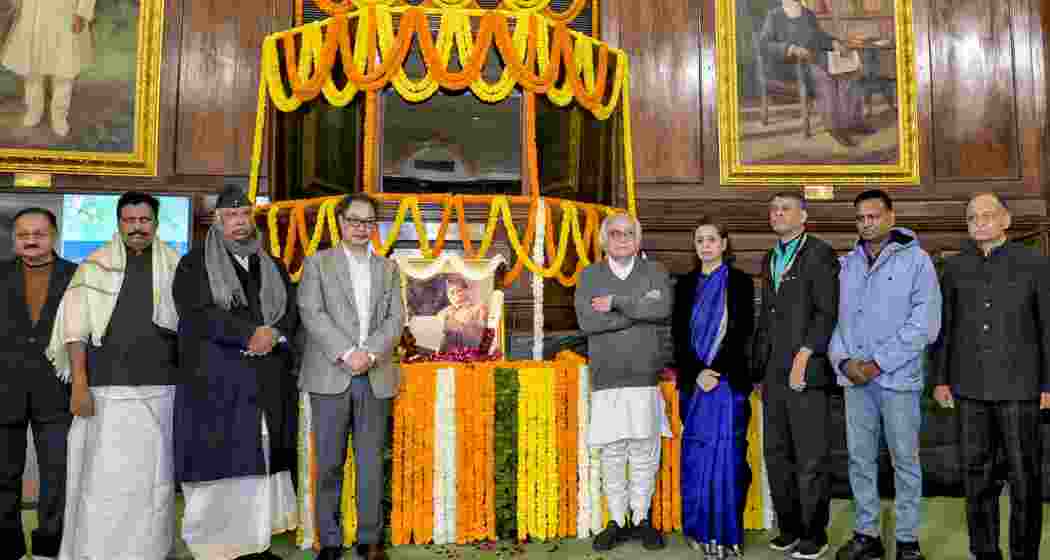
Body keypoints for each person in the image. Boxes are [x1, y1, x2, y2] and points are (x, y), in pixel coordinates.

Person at [46, 191, 182, 559]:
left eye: (144, 220)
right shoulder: (93, 266)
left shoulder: (176, 265)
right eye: (129, 220)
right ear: (118, 223)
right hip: (105, 393)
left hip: (163, 390)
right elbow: (74, 332)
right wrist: (79, 384)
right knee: (103, 482)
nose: (137, 228)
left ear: (155, 223)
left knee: (155, 483)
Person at [172, 186, 299, 560]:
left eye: (244, 214)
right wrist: (249, 334)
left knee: (260, 463)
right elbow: (198, 314)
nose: (239, 222)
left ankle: (256, 545)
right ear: (217, 220)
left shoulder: (271, 264)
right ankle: (216, 548)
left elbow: (290, 310)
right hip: (217, 385)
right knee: (222, 467)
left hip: (264, 384)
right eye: (231, 216)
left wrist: (274, 333)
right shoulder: (193, 264)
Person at [931, 192, 1049, 560]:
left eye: (987, 215)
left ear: (1006, 220)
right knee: (976, 476)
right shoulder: (953, 267)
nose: (979, 222)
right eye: (972, 218)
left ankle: (1024, 553)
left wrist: (1048, 383)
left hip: (1022, 387)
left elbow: (1047, 326)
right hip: (970, 388)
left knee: (1024, 477)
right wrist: (940, 378)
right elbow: (944, 329)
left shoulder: (1034, 263)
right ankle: (984, 552)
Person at [828, 190, 941, 560]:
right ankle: (867, 535)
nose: (866, 223)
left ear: (891, 216)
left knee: (905, 461)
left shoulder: (917, 260)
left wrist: (877, 363)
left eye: (873, 216)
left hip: (897, 381)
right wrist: (843, 362)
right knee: (860, 461)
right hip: (856, 382)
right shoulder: (848, 264)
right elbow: (839, 321)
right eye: (860, 218)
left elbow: (925, 324)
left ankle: (907, 541)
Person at [298, 193, 404, 560]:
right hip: (331, 373)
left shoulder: (389, 268)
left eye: (368, 222)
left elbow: (395, 319)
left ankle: (370, 538)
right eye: (355, 221)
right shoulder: (317, 264)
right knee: (328, 460)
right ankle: (329, 540)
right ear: (340, 223)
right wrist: (348, 353)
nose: (361, 228)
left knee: (371, 459)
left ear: (375, 227)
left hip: (376, 374)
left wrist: (371, 353)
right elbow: (311, 312)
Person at [574, 212, 672, 552]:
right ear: (604, 240)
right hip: (607, 377)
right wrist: (636, 313)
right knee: (612, 452)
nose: (622, 238)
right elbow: (587, 321)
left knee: (645, 449)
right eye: (614, 233)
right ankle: (617, 519)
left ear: (638, 239)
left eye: (629, 233)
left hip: (644, 376)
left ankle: (642, 517)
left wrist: (615, 304)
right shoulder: (589, 276)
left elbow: (662, 310)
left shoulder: (655, 272)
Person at [752, 191, 839, 559]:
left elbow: (827, 312)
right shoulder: (770, 256)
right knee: (777, 454)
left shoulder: (819, 253)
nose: (777, 214)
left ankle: (814, 533)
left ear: (803, 216)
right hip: (772, 373)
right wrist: (758, 369)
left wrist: (806, 354)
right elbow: (767, 320)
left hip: (806, 369)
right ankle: (788, 528)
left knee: (810, 457)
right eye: (773, 209)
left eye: (785, 209)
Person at [671, 218, 756, 558]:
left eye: (711, 239)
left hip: (727, 383)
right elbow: (678, 335)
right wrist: (697, 372)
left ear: (723, 244)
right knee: (696, 456)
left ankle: (726, 533)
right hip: (696, 385)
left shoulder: (740, 282)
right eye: (699, 240)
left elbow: (742, 332)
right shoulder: (685, 284)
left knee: (730, 459)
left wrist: (715, 371)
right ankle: (698, 528)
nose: (705, 245)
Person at [0, 208, 76, 560]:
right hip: (4, 391)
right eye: (23, 234)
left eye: (39, 233)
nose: (31, 240)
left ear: (54, 235)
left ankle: (49, 547)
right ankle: (8, 546)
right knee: (3, 475)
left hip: (58, 393)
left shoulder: (76, 277)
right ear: (15, 238)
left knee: (57, 477)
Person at [759, 0, 870, 147]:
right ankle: (835, 128)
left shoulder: (808, 14)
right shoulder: (774, 16)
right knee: (825, 76)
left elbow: (819, 37)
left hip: (813, 61)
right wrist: (790, 48)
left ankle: (852, 121)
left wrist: (833, 43)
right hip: (789, 68)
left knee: (847, 72)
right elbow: (764, 44)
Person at [1, 0, 95, 137]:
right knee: (33, 69)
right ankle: (34, 110)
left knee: (64, 70)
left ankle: (59, 117)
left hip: (65, 13)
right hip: (34, 13)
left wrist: (82, 13)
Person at [436, 273, 489, 352]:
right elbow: (437, 335)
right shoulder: (445, 312)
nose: (456, 295)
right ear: (447, 295)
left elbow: (483, 336)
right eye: (452, 292)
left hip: (469, 353)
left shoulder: (478, 308)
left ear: (466, 290)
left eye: (459, 290)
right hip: (446, 354)